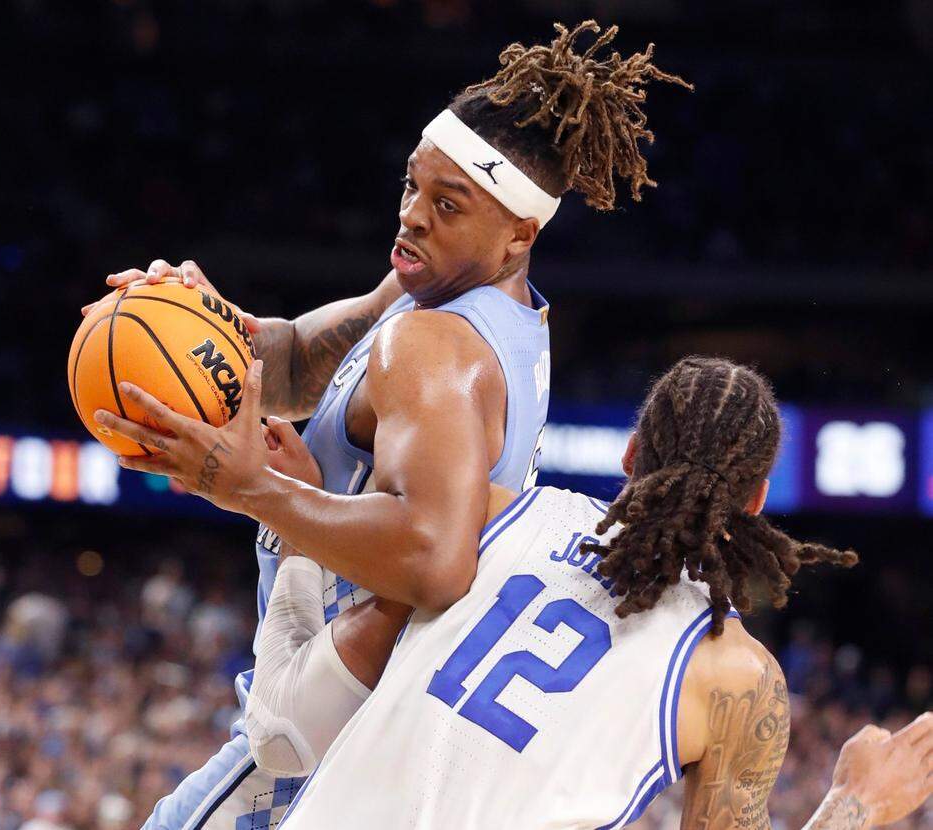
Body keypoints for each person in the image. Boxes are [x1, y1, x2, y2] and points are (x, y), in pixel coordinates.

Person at [94, 21, 692, 829]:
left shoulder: (437, 345)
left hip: (336, 734)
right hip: (352, 716)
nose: (413, 216)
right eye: (413, 186)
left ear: (521, 233)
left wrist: (248, 489)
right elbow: (304, 364)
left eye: (448, 205)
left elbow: (434, 557)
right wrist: (195, 320)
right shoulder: (441, 293)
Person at [245, 358, 931, 828]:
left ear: (631, 454)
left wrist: (298, 504)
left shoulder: (491, 513)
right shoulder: (738, 677)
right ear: (755, 500)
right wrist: (857, 803)